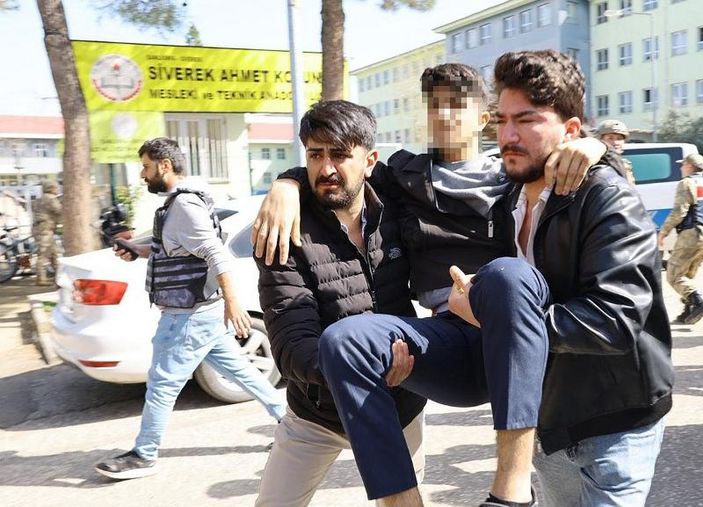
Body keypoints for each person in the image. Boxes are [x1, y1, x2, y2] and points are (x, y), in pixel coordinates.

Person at [252, 63, 607, 507]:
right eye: (435, 105)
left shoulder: (515, 173)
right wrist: (286, 183)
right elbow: (341, 167)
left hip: (511, 326)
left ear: (484, 117)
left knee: (506, 275)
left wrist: (593, 145)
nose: (444, 115)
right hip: (404, 359)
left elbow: (574, 164)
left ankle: (512, 491)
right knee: (343, 341)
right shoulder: (405, 179)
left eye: (457, 104)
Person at [453, 49, 672, 507]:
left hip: (615, 423)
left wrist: (495, 320)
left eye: (527, 120)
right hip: (546, 421)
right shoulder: (506, 202)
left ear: (571, 131)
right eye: (502, 120)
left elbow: (614, 320)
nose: (508, 135)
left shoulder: (606, 198)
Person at [254, 100, 427, 506]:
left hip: (400, 403)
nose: (326, 168)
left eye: (339, 154)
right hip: (317, 414)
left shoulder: (395, 207)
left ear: (369, 162)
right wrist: (287, 182)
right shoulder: (285, 232)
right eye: (315, 155)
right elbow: (291, 348)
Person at [94, 137, 285, 480]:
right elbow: (175, 250)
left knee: (162, 384)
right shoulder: (181, 203)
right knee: (242, 373)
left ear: (165, 165)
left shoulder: (183, 205)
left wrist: (233, 303)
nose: (143, 174)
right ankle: (291, 423)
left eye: (146, 167)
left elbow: (215, 253)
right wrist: (135, 250)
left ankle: (144, 454)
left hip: (187, 315)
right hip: (201, 313)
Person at [657, 153, 703, 325]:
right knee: (687, 275)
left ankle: (699, 303)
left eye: (683, 164)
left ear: (689, 166)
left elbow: (679, 212)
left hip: (692, 235)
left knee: (673, 275)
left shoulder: (686, 183)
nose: (681, 168)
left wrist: (663, 232)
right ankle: (687, 311)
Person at [33, 180, 62, 286]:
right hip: (44, 229)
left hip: (41, 229)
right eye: (56, 187)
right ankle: (40, 279)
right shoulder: (50, 198)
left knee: (54, 253)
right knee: (43, 254)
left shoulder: (40, 199)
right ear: (51, 188)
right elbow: (59, 210)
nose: (57, 189)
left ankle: (59, 277)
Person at [596, 119, 637, 186]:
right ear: (601, 140)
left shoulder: (624, 164)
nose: (615, 143)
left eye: (619, 138)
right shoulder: (596, 164)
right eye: (610, 138)